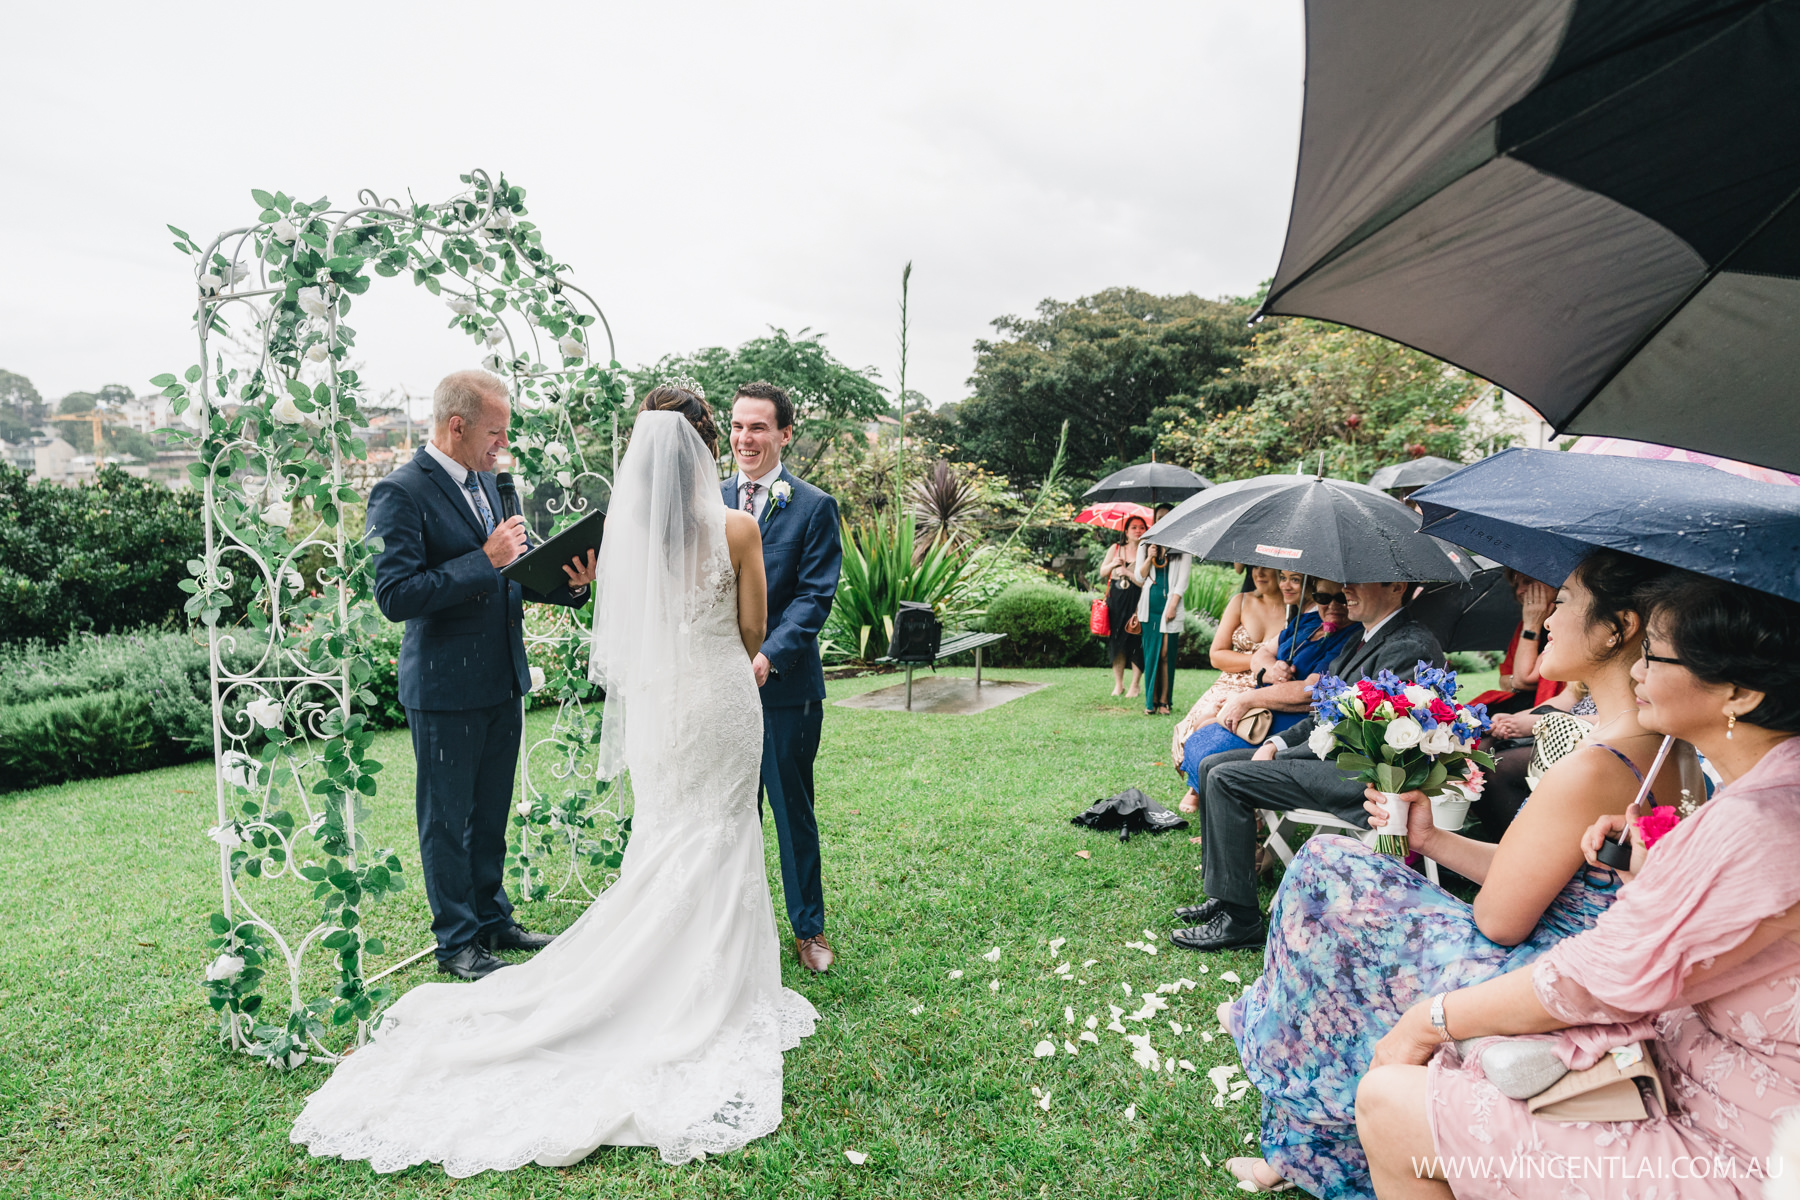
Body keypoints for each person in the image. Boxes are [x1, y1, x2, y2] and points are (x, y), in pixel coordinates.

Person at [291, 402, 819, 1174]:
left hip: (664, 711)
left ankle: (648, 969)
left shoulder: (627, 540)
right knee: (723, 830)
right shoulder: (738, 529)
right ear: (706, 452)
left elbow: (619, 624)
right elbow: (750, 632)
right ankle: (714, 987)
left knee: (669, 832)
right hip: (720, 699)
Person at [1219, 550, 1685, 1197]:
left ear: (1619, 627)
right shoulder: (1660, 744)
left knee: (1326, 882)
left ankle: (1312, 1135)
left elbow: (1499, 918)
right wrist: (1431, 838)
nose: (1547, 615)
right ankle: (1291, 1069)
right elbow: (1545, 871)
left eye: (1569, 600)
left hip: (1541, 966)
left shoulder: (1598, 762)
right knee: (1335, 870)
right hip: (1566, 946)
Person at [1356, 569, 1800, 1200]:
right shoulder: (1766, 788)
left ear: (1739, 692)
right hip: (1704, 1083)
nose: (1639, 670)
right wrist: (1656, 866)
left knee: (1390, 1100)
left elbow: (1587, 971)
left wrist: (1427, 1023)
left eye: (1655, 653)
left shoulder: (1756, 823)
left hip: (1742, 1148)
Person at [365, 370, 599, 982]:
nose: (503, 444)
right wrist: (484, 559)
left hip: (501, 677)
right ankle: (457, 943)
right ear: (457, 425)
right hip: (443, 689)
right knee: (446, 821)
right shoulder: (400, 491)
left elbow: (514, 571)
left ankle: (494, 918)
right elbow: (395, 595)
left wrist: (570, 582)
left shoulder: (494, 484)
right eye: (495, 432)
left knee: (491, 811)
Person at [1171, 581, 1444, 952]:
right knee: (1212, 765)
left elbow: (1358, 734)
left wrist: (1280, 756)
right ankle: (1224, 896)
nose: (1346, 592)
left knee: (1226, 777)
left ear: (1396, 586)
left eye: (1356, 583)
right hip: (1335, 761)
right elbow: (1324, 712)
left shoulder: (1409, 646)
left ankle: (1241, 921)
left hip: (1364, 778)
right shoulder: (1361, 640)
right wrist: (1274, 742)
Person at [723, 381, 844, 974]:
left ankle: (808, 929)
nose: (746, 438)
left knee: (791, 810)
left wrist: (768, 655)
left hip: (784, 690)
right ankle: (725, 928)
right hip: (717, 689)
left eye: (759, 428)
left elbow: (814, 598)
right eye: (739, 426)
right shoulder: (708, 499)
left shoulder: (813, 506)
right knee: (725, 811)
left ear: (784, 434)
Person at [1172, 582, 1359, 812]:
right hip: (1268, 706)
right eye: (1322, 597)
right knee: (1200, 734)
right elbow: (1262, 653)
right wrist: (1271, 669)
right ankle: (1225, 815)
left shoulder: (1352, 637)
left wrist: (1247, 700)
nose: (1332, 605)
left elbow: (1310, 691)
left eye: (1340, 598)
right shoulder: (1307, 621)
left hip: (1296, 718)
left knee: (1211, 749)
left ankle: (1242, 818)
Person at [1169, 566, 1290, 803]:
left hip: (1266, 687)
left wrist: (1265, 673)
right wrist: (1257, 663)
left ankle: (1216, 785)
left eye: (1267, 567)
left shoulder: (1297, 613)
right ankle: (1198, 781)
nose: (1259, 572)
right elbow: (1217, 656)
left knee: (1237, 724)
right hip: (1230, 680)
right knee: (1202, 718)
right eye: (1255, 566)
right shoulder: (1241, 601)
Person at [1134, 512, 1191, 715]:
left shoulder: (1183, 544)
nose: (1164, 519)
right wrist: (1150, 556)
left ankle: (1165, 700)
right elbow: (1139, 577)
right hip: (1150, 606)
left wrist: (1174, 604)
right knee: (1151, 653)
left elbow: (1183, 579)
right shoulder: (1146, 543)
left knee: (1167, 653)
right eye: (1160, 516)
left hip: (1171, 604)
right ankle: (1152, 701)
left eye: (1168, 516)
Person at [1096, 516, 1147, 698]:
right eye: (1133, 527)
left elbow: (1145, 583)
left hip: (1137, 600)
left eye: (1142, 527)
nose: (1138, 530)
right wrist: (1113, 564)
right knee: (1116, 642)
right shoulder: (1115, 549)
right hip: (1116, 600)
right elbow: (1102, 572)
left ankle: (1135, 685)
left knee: (1135, 642)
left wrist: (1127, 572)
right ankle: (1119, 684)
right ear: (1126, 531)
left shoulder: (1146, 552)